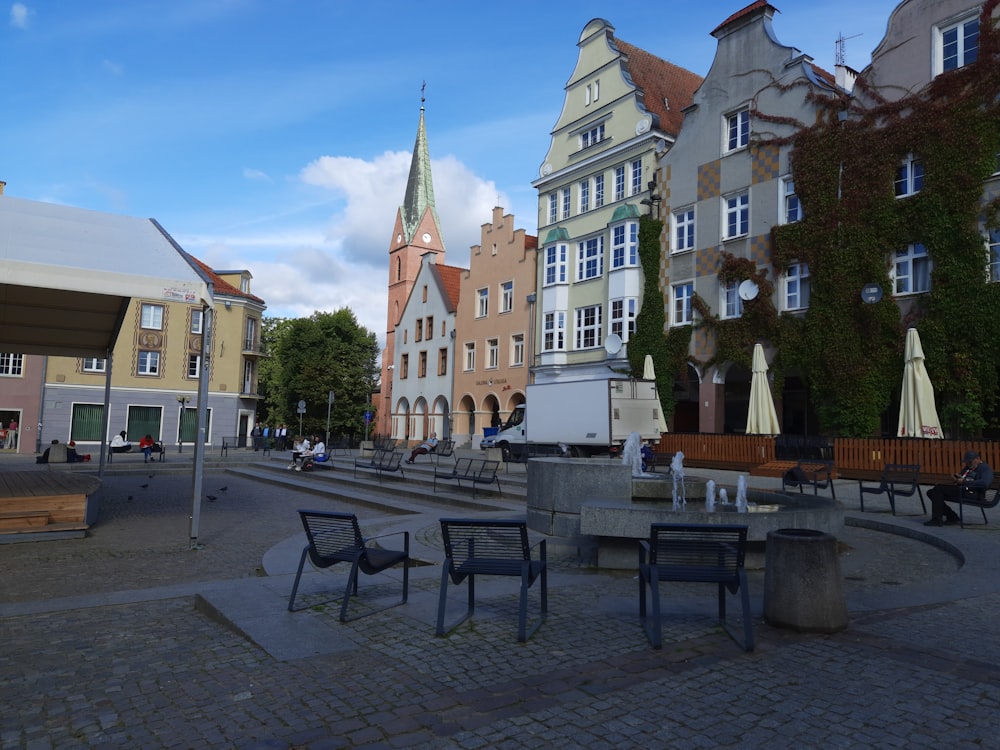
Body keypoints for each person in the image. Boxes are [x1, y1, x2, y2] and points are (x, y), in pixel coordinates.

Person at [925, 450, 994, 526]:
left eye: (970, 462)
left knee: (938, 489)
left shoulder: (984, 468)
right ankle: (951, 516)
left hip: (973, 493)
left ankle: (938, 519)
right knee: (931, 492)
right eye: (967, 462)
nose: (968, 464)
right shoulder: (968, 468)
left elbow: (985, 483)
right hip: (962, 489)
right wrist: (956, 478)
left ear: (977, 459)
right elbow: (962, 478)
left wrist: (965, 482)